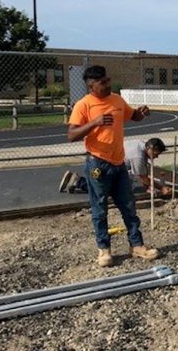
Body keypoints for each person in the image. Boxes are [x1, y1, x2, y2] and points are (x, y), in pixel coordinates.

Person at [67, 65, 159, 267]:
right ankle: (104, 251)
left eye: (108, 80)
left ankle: (137, 246)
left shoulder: (116, 99)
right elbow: (72, 135)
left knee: (128, 206)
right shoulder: (84, 105)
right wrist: (95, 122)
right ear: (92, 86)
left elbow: (132, 115)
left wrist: (142, 112)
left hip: (119, 164)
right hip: (98, 163)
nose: (108, 84)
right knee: (99, 209)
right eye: (103, 82)